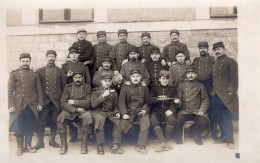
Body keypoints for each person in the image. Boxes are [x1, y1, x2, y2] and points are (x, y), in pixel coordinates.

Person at [8, 53, 43, 156]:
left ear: (30, 61)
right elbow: (10, 91)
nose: (25, 63)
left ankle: (28, 146)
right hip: (18, 104)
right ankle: (19, 148)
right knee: (18, 125)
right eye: (23, 61)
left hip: (31, 104)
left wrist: (40, 103)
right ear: (20, 61)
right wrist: (10, 105)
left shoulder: (34, 74)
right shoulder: (14, 74)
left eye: (27, 61)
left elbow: (39, 90)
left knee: (30, 125)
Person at [35, 50, 66, 150]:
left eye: (53, 56)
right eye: (49, 56)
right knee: (41, 121)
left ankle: (52, 140)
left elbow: (64, 87)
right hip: (44, 100)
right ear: (46, 57)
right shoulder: (40, 71)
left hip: (56, 101)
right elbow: (36, 87)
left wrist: (62, 101)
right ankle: (40, 141)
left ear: (55, 58)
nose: (51, 58)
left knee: (54, 121)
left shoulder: (60, 71)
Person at [56, 69, 93, 154]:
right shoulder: (68, 87)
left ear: (83, 78)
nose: (78, 79)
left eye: (80, 77)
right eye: (76, 77)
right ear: (73, 78)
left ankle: (84, 145)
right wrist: (75, 109)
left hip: (83, 111)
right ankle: (64, 145)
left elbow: (88, 102)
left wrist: (74, 102)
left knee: (88, 116)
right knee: (60, 118)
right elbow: (63, 102)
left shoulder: (87, 88)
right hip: (70, 111)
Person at [210, 41, 238, 149]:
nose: (217, 51)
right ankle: (223, 136)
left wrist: (231, 91)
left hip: (226, 95)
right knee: (217, 116)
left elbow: (234, 78)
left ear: (224, 49)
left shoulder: (230, 61)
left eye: (219, 49)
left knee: (227, 117)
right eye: (215, 50)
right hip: (216, 94)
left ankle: (230, 140)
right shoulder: (214, 63)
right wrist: (213, 92)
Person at [62, 46, 91, 142]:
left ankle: (84, 136)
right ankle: (73, 136)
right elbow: (62, 81)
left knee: (84, 113)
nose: (74, 55)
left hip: (82, 90)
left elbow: (88, 78)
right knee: (70, 112)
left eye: (75, 53)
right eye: (72, 53)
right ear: (69, 55)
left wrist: (87, 89)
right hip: (70, 91)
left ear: (78, 55)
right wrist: (67, 76)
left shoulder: (83, 65)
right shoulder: (65, 66)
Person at [175, 65, 209, 145]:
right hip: (184, 111)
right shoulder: (181, 86)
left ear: (196, 75)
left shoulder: (201, 86)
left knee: (203, 121)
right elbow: (179, 99)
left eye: (192, 73)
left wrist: (201, 110)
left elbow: (205, 100)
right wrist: (177, 102)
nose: (190, 75)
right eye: (188, 73)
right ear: (186, 75)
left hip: (196, 111)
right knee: (178, 121)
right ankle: (179, 137)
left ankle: (197, 136)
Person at [91, 72, 124, 155]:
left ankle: (115, 145)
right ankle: (100, 145)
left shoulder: (114, 92)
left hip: (110, 112)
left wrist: (116, 112)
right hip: (98, 112)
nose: (107, 83)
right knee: (100, 120)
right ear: (101, 81)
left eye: (109, 81)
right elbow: (93, 104)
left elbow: (116, 106)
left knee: (117, 121)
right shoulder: (96, 91)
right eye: (105, 81)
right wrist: (103, 96)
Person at [119, 69, 150, 154]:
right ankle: (133, 139)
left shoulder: (144, 87)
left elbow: (148, 101)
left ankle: (141, 145)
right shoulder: (125, 88)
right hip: (129, 111)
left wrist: (145, 109)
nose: (135, 78)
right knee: (124, 125)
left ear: (140, 77)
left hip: (141, 111)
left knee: (145, 122)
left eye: (137, 76)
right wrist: (124, 113)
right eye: (133, 76)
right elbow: (121, 102)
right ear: (130, 78)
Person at [192, 41, 217, 140]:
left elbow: (212, 74)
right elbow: (193, 72)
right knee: (200, 109)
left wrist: (200, 78)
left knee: (211, 110)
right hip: (198, 89)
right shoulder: (196, 60)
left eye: (204, 48)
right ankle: (200, 130)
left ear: (207, 49)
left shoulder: (212, 60)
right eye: (200, 48)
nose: (202, 49)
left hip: (210, 88)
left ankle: (213, 131)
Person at [149, 70, 177, 152]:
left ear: (168, 80)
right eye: (163, 78)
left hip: (167, 110)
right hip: (156, 111)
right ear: (159, 79)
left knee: (171, 119)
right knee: (153, 121)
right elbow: (149, 100)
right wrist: (157, 99)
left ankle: (167, 140)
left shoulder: (172, 89)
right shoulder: (154, 88)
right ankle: (163, 143)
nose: (165, 80)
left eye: (167, 79)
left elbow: (174, 102)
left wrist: (171, 110)